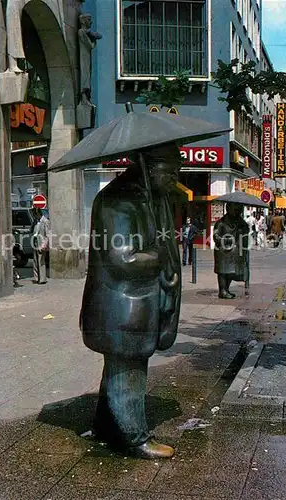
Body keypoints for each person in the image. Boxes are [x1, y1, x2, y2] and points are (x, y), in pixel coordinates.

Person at [80, 143, 182, 459]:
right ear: (146, 166)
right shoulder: (116, 201)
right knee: (128, 368)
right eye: (169, 171)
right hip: (123, 306)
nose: (174, 178)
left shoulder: (154, 198)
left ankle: (105, 424)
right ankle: (134, 437)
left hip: (143, 303)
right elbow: (123, 259)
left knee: (120, 366)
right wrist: (159, 254)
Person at [213, 202, 249, 299]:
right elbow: (216, 237)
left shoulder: (239, 221)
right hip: (222, 251)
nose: (238, 213)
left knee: (230, 272)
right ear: (229, 209)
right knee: (223, 271)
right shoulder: (221, 223)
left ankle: (226, 289)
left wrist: (243, 229)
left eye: (239, 210)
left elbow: (246, 229)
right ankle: (222, 291)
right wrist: (226, 240)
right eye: (236, 210)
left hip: (233, 252)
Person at [31, 208, 49, 285]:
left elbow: (48, 235)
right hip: (35, 242)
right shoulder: (35, 222)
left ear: (39, 214)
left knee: (41, 261)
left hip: (41, 243)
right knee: (35, 261)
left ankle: (42, 279)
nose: (35, 217)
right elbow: (32, 230)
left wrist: (44, 244)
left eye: (35, 215)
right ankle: (36, 277)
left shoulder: (45, 221)